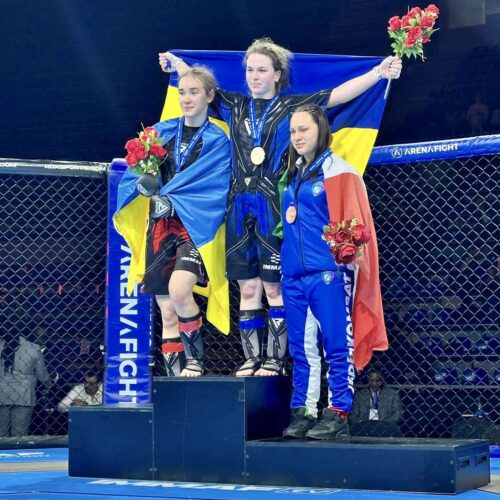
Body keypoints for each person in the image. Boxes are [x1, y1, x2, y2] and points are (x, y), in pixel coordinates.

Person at [159, 40, 401, 377]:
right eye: (250, 70)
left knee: (273, 288)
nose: (254, 76)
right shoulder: (234, 104)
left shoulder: (292, 107)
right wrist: (177, 64)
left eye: (261, 70)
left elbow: (336, 95)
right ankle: (251, 359)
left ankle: (274, 360)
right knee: (247, 288)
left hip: (273, 205)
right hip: (237, 205)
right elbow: (200, 85)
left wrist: (379, 73)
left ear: (277, 75)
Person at [115, 66, 231, 378]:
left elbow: (217, 188)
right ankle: (175, 380)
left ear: (209, 96)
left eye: (194, 92)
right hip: (159, 226)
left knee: (180, 291)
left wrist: (176, 199)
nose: (186, 98)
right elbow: (138, 176)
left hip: (193, 227)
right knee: (166, 310)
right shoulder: (160, 132)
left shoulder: (218, 139)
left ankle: (195, 361)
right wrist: (144, 185)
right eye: (182, 92)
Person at [280, 105, 388, 439]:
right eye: (293, 131)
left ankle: (338, 412)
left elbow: (357, 225)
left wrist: (345, 259)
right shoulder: (292, 173)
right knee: (301, 349)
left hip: (329, 272)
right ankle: (304, 411)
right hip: (294, 275)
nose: (297, 137)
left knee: (336, 345)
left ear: (321, 131)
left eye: (304, 130)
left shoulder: (339, 171)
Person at [0, 328, 54, 437]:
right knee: (19, 434)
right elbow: (42, 375)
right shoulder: (33, 348)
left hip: (2, 393)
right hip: (23, 394)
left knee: (1, 433)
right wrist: (50, 385)